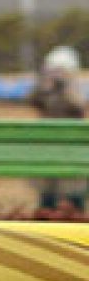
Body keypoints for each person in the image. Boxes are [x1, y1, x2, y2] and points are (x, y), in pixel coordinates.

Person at [33, 46, 87, 212]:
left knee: (73, 189)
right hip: (49, 147)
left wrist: (65, 88)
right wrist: (44, 85)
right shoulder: (48, 92)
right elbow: (34, 101)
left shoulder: (75, 90)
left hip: (70, 148)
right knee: (48, 190)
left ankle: (76, 213)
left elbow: (78, 107)